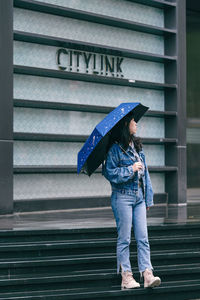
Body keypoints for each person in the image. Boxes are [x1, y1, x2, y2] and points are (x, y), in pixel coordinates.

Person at [102, 111, 161, 289]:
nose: (136, 124)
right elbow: (110, 174)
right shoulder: (114, 149)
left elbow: (146, 175)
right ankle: (126, 277)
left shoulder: (137, 148)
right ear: (126, 125)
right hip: (122, 198)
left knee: (143, 238)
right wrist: (131, 169)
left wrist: (148, 198)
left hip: (139, 198)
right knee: (125, 239)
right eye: (134, 121)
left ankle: (147, 275)